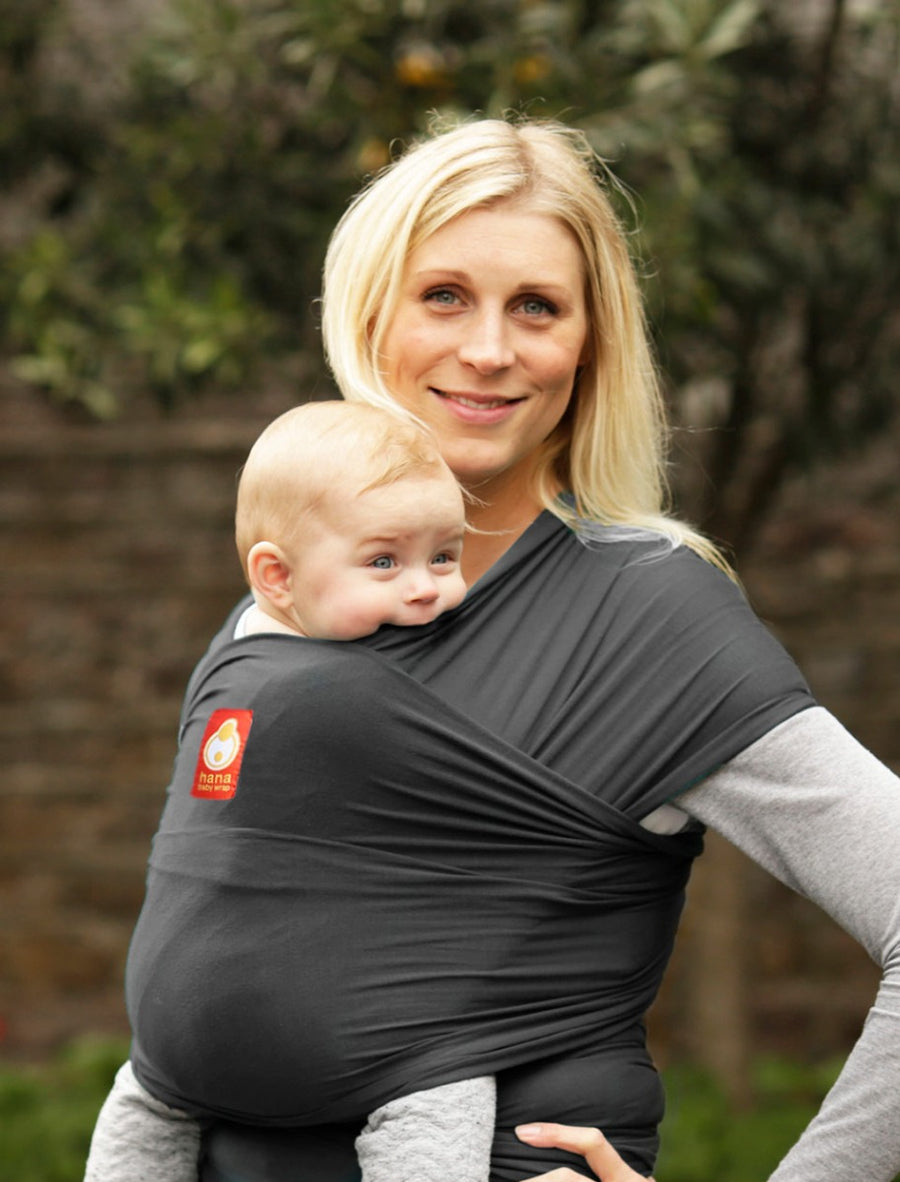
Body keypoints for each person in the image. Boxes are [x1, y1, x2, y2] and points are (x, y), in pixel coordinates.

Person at [104, 113, 900, 1182]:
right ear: (371, 311)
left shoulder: (645, 616)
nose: (488, 348)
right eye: (445, 296)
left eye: (537, 307)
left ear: (589, 344)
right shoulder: (305, 590)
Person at [85, 400, 500, 1182]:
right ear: (276, 575)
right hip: (370, 1044)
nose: (424, 591)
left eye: (445, 557)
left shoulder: (231, 664)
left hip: (167, 1050)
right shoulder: (375, 685)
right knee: (446, 1084)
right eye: (385, 563)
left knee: (138, 1114)